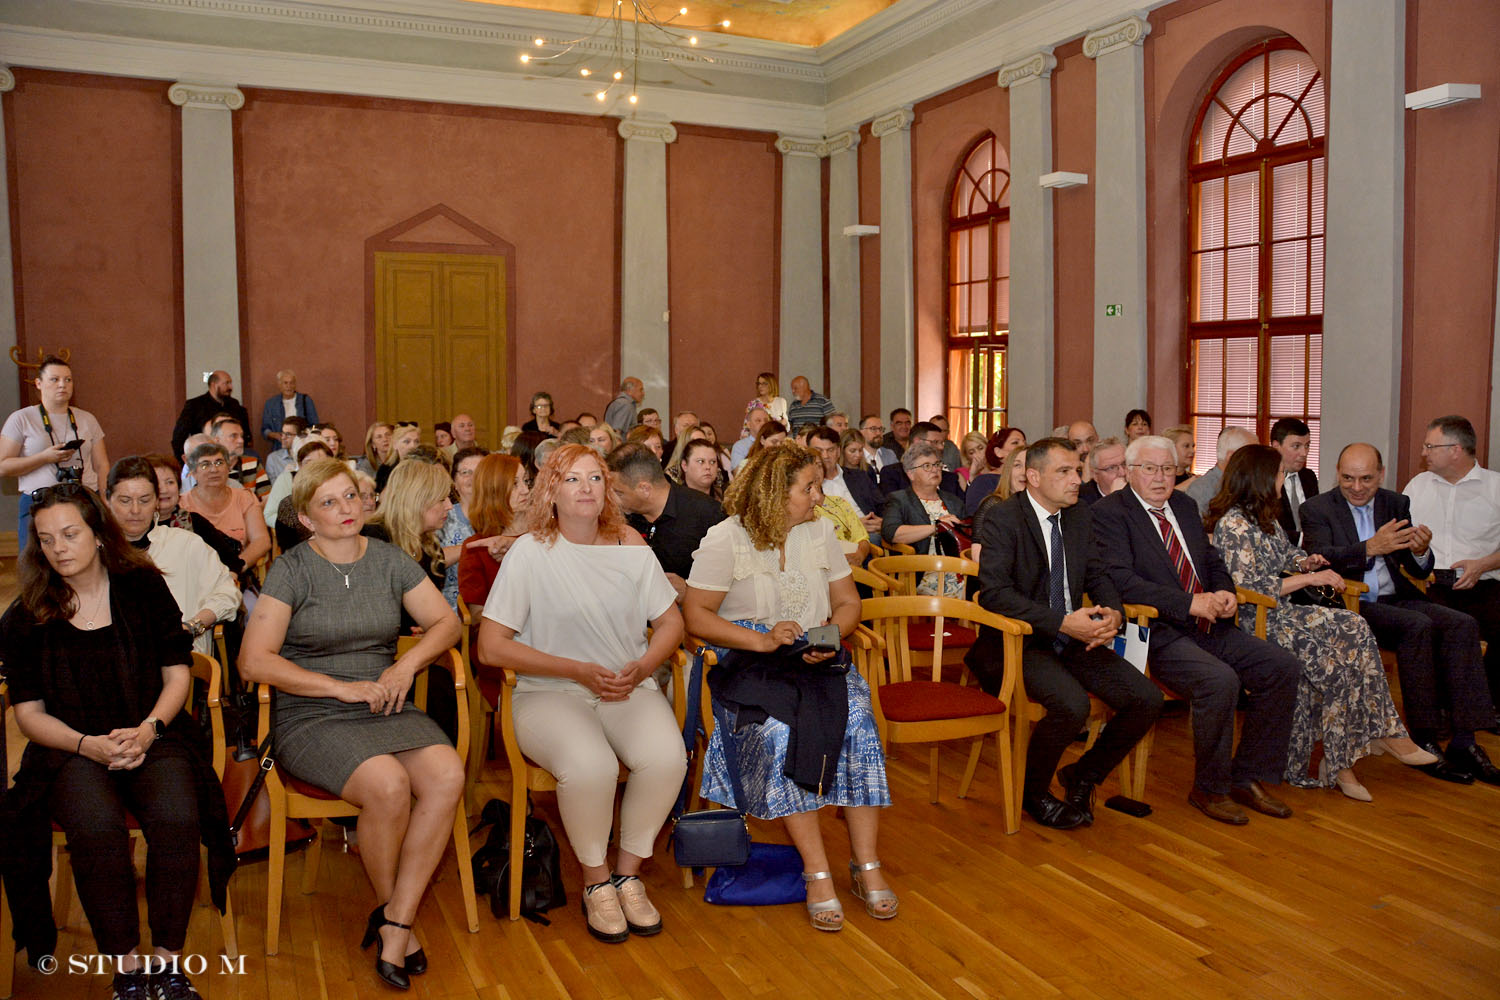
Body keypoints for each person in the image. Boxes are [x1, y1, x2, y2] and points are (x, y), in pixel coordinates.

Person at [0, 484, 233, 1000]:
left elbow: (178, 676)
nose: (58, 547)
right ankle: (127, 970)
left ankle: (170, 965)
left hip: (153, 732)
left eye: (69, 533)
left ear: (99, 535)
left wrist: (149, 730)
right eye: (46, 539)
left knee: (177, 818)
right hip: (69, 747)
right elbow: (29, 714)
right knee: (98, 828)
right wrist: (88, 745)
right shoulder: (26, 615)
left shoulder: (143, 588)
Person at [239, 460, 463, 990]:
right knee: (388, 785)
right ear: (306, 518)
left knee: (448, 774)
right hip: (312, 711)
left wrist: (405, 665)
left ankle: (396, 919)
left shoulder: (388, 559)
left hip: (385, 700)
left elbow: (447, 622)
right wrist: (340, 688)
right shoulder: (291, 569)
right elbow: (254, 662)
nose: (346, 510)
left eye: (351, 497)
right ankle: (394, 915)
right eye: (330, 503)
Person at [476, 444, 686, 943]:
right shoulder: (530, 552)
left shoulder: (630, 545)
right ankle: (596, 882)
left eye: (594, 478)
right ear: (552, 490)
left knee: (667, 758)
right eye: (572, 479)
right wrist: (575, 670)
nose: (586, 488)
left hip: (623, 686)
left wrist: (642, 668)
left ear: (607, 488)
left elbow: (671, 622)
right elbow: (491, 647)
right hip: (549, 691)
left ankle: (628, 872)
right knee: (591, 765)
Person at [682, 443, 894, 933]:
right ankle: (816, 870)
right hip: (750, 662)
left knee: (859, 723)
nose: (819, 498)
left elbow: (847, 603)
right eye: (809, 488)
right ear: (776, 494)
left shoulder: (819, 532)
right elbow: (696, 618)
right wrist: (760, 640)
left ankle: (866, 865)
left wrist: (826, 638)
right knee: (782, 730)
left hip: (813, 655)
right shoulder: (725, 539)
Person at [1091, 435, 1301, 825]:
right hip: (1154, 629)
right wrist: (1189, 602)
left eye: (1168, 469)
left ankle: (1246, 775)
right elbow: (1121, 581)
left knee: (1281, 666)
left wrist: (1224, 590)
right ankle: (1211, 787)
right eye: (1149, 469)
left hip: (1209, 622)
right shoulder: (1110, 513)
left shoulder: (1184, 506)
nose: (1160, 478)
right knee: (1219, 681)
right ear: (1130, 472)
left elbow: (1210, 557)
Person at [1207, 445, 1435, 800]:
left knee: (1354, 632)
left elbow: (1287, 556)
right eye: (1280, 473)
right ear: (1261, 478)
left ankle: (1359, 749)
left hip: (1283, 613)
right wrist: (1310, 580)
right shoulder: (1234, 524)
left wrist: (1306, 563)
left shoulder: (1263, 517)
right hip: (1258, 618)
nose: (1284, 479)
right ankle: (1360, 750)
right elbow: (1248, 587)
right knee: (1340, 651)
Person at [965, 439, 1162, 829]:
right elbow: (995, 593)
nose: (1076, 480)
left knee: (1146, 698)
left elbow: (1097, 573)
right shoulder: (1004, 518)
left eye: (1077, 470)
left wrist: (1113, 615)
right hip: (1018, 640)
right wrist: (1060, 623)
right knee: (1072, 706)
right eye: (1065, 472)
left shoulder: (1078, 516)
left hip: (1073, 637)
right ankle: (1033, 793)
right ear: (1033, 477)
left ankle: (1082, 775)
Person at [1300, 442, 1498, 784]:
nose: (1357, 487)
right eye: (1348, 478)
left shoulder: (1396, 503)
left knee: (1462, 624)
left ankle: (1465, 741)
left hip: (1396, 597)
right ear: (1337, 474)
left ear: (1381, 474)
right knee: (1417, 626)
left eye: (1365, 479)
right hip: (1351, 605)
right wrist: (1369, 548)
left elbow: (1418, 570)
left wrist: (1420, 552)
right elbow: (1319, 557)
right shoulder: (1318, 508)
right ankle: (1423, 739)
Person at [1405, 414, 1500, 735]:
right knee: (1430, 628)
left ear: (1456, 450)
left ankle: (1488, 708)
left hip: (1483, 582)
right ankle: (1444, 713)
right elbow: (1400, 538)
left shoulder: (1495, 488)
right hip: (1429, 583)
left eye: (1431, 446)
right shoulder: (1418, 486)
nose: (1424, 451)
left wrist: (1483, 564)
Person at [105, 456, 240, 656]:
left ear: (156, 502)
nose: (135, 510)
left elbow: (227, 593)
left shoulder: (186, 544)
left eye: (144, 500)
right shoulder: (94, 551)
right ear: (108, 501)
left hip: (179, 654)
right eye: (125, 501)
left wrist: (193, 626)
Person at [0, 355, 109, 539]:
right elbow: (3, 466)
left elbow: (102, 465)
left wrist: (105, 498)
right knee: (36, 564)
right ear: (38, 383)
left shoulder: (87, 418)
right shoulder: (21, 418)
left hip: (83, 499)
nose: (62, 385)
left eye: (68, 380)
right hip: (39, 502)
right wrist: (44, 458)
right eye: (54, 379)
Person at [608, 443, 726, 601]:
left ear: (644, 489)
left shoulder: (709, 515)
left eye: (618, 492)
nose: (612, 499)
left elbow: (735, 586)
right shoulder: (619, 517)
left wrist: (690, 592)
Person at [881, 442, 966, 597]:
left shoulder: (954, 501)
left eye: (937, 464)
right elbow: (891, 532)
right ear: (910, 474)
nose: (934, 469)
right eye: (926, 466)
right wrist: (936, 527)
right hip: (921, 573)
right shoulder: (899, 499)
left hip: (959, 569)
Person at [144, 452, 245, 577]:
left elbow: (232, 562)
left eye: (170, 482)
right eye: (157, 484)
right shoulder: (137, 528)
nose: (164, 490)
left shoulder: (194, 522)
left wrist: (230, 581)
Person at [180, 441, 271, 573]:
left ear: (228, 468)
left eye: (219, 463)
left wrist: (236, 567)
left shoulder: (245, 497)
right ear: (193, 472)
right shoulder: (182, 504)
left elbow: (261, 540)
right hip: (195, 575)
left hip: (238, 572)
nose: (214, 469)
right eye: (205, 465)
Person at [456, 454, 530, 613]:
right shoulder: (477, 547)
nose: (525, 490)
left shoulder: (543, 533)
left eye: (526, 481)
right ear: (494, 492)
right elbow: (476, 616)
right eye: (515, 484)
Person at [438, 446, 488, 611]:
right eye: (465, 472)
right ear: (454, 482)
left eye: (480, 471)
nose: (473, 478)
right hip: (448, 609)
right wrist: (472, 548)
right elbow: (429, 559)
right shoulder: (442, 517)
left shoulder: (504, 519)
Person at [809, 426, 882, 538]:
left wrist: (881, 520)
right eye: (818, 451)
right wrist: (855, 525)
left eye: (830, 450)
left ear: (838, 451)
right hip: (837, 539)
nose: (825, 456)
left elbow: (883, 505)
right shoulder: (808, 487)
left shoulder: (859, 476)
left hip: (872, 531)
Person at [171, 369, 250, 463]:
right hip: (203, 458)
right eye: (226, 383)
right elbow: (179, 437)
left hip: (233, 458)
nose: (230, 387)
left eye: (230, 383)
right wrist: (186, 462)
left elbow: (246, 433)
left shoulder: (234, 405)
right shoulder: (195, 405)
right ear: (213, 384)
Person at [271, 439, 336, 553]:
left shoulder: (343, 499)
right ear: (300, 467)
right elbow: (288, 549)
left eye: (322, 464)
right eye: (309, 463)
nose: (315, 468)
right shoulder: (290, 505)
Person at [880, 421, 963, 498]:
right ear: (917, 442)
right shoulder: (893, 474)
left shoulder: (950, 479)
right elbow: (892, 507)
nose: (941, 447)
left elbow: (964, 510)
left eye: (942, 443)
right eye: (935, 442)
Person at [1185, 426, 1256, 514]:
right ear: (1231, 457)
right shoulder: (1201, 489)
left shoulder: (1249, 485)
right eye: (1251, 455)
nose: (1256, 462)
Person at [1271, 417, 1317, 544]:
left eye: (1307, 446)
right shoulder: (1267, 481)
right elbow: (1268, 529)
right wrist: (1304, 539)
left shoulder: (1309, 477)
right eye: (1296, 446)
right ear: (1276, 446)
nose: (1304, 453)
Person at [964, 427, 1025, 514]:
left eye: (1024, 442)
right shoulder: (984, 482)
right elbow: (976, 518)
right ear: (998, 452)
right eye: (1015, 443)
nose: (1023, 446)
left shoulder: (1029, 478)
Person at [258, 369, 319, 452]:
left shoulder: (305, 400)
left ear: (295, 385)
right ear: (279, 385)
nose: (289, 386)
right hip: (280, 448)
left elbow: (315, 425)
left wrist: (304, 434)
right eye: (285, 383)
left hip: (303, 447)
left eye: (292, 383)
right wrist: (275, 435)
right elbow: (265, 430)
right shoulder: (271, 404)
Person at [210, 416, 270, 498]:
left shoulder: (253, 463)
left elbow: (266, 499)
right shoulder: (209, 468)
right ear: (217, 441)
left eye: (241, 436)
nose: (241, 440)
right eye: (234, 436)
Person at [837, 429, 884, 521]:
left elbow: (878, 499)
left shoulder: (867, 469)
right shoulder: (838, 472)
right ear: (842, 450)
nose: (858, 455)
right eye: (852, 451)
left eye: (860, 450)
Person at [1078, 436, 1128, 506]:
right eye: (1111, 468)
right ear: (1095, 475)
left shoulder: (1141, 487)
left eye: (1124, 464)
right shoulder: (1081, 500)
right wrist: (1114, 499)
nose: (1123, 473)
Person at [676, 437, 728, 501]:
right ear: (685, 465)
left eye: (712, 462)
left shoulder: (726, 499)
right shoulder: (674, 501)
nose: (708, 467)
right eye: (700, 461)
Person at [376, 422, 423, 492]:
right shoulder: (385, 470)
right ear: (395, 445)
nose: (413, 446)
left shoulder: (425, 468)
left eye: (416, 441)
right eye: (407, 442)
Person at [265, 415, 310, 482]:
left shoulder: (310, 457)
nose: (283, 437)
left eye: (288, 434)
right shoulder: (273, 458)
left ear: (300, 436)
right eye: (282, 433)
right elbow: (274, 488)